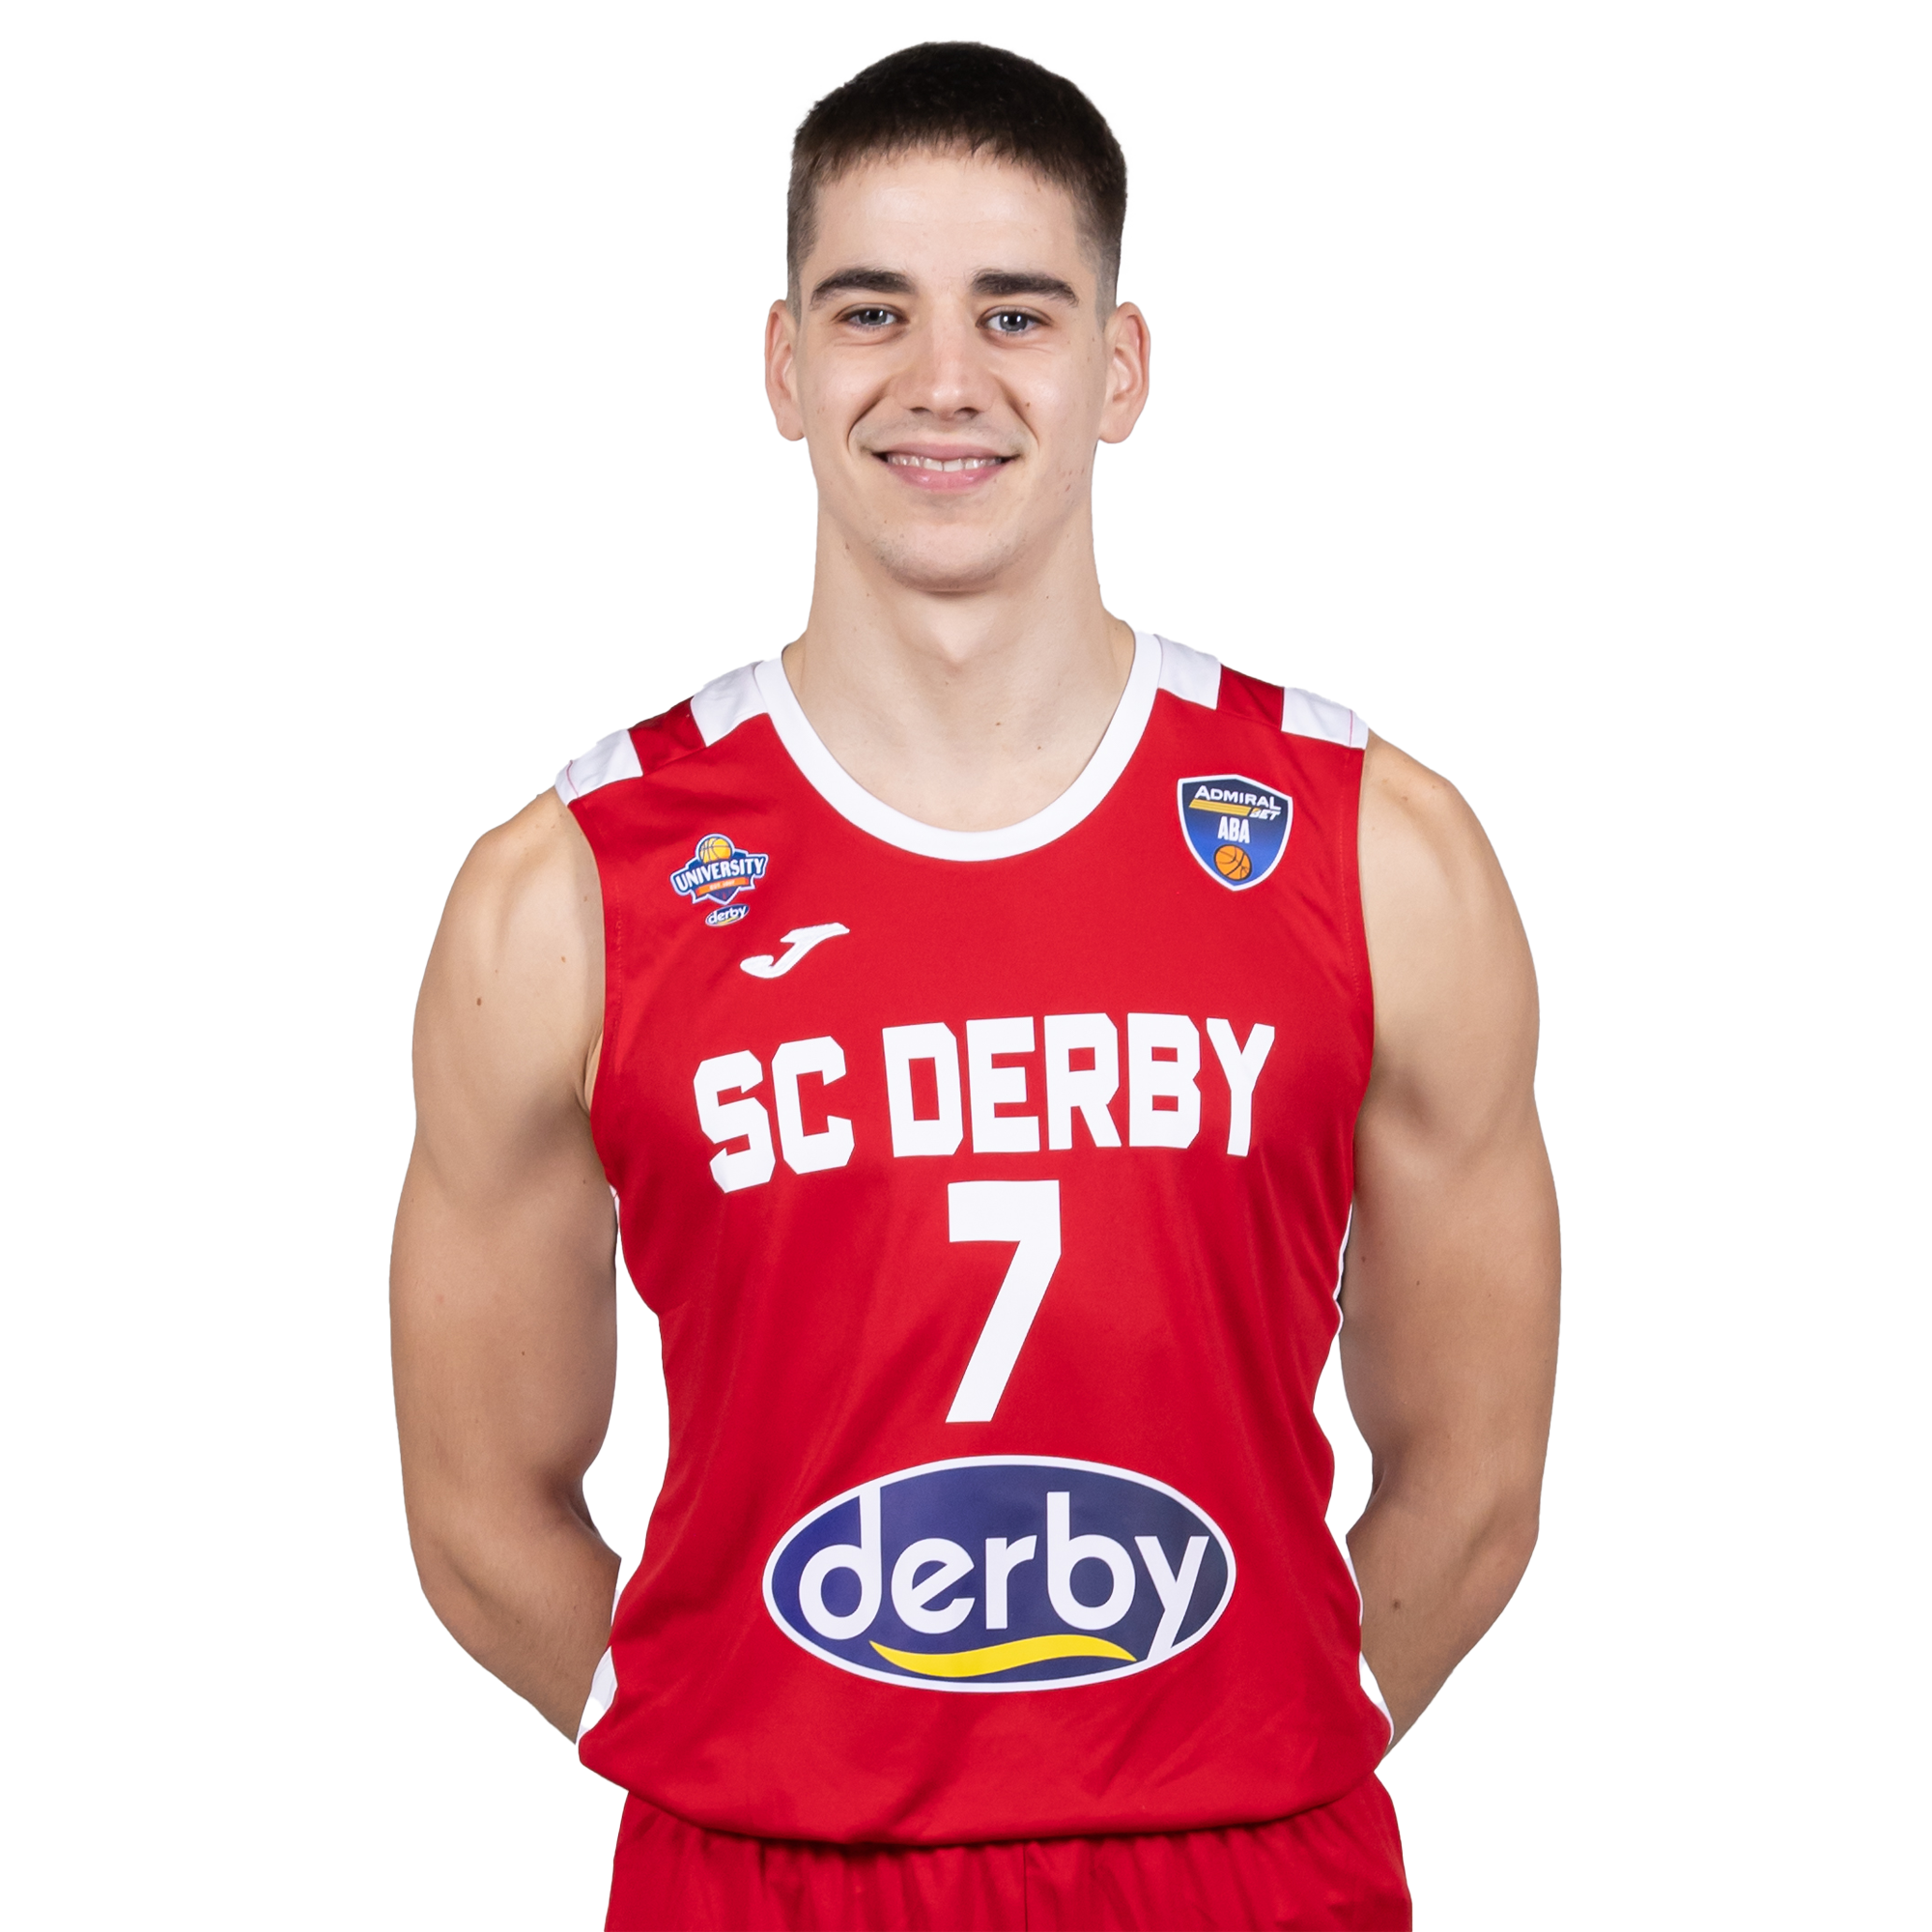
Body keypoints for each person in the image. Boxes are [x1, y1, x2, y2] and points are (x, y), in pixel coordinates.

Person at [392, 39, 1558, 1932]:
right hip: (761, 1874)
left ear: (1119, 367)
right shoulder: (571, 895)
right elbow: (475, 1510)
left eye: (1016, 312)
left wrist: (1246, 1740)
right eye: (873, 311)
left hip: (1240, 1863)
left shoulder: (1373, 854)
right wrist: (744, 1743)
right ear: (786, 365)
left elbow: (1478, 1478)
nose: (943, 379)